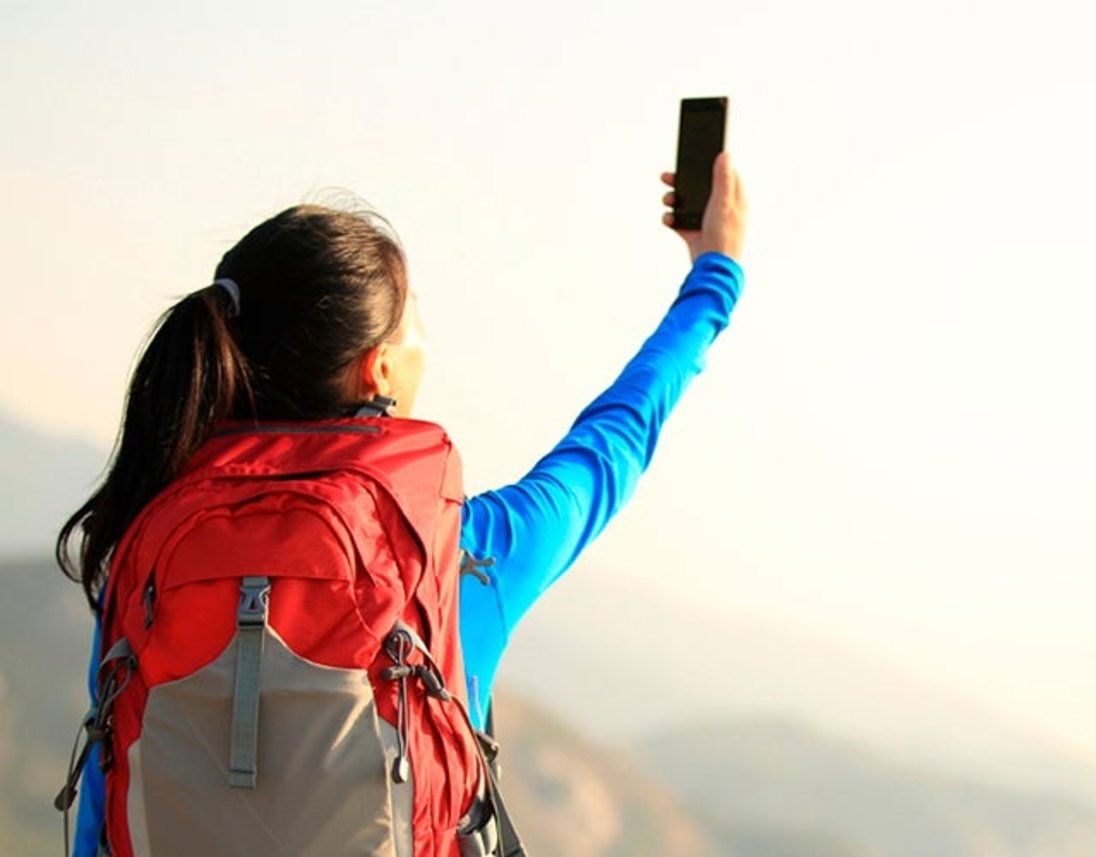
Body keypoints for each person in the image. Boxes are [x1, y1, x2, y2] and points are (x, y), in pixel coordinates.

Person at [59, 152, 747, 856]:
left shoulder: (152, 544)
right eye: (414, 319)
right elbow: (613, 444)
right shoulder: (456, 558)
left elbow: (106, 811)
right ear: (379, 366)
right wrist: (713, 275)